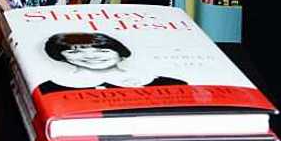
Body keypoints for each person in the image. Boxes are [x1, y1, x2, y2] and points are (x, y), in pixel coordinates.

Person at [37, 33, 187, 92]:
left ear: (119, 53)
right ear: (62, 57)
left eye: (102, 50)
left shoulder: (170, 83)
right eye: (74, 51)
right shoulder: (49, 88)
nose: (91, 56)